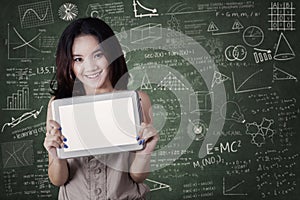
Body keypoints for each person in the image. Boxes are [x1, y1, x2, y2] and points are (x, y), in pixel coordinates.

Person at [43, 17, 159, 200]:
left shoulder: (137, 101)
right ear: (69, 64)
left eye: (98, 55)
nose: (90, 67)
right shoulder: (60, 105)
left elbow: (137, 176)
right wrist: (55, 155)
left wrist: (145, 153)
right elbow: (58, 180)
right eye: (78, 59)